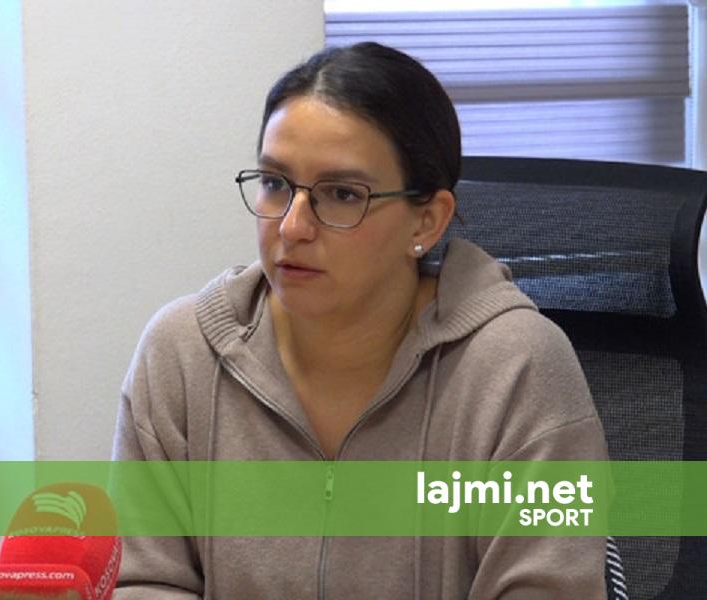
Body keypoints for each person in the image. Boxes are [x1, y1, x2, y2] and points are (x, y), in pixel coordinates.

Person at [111, 42, 609, 599]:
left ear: (427, 220)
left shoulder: (516, 367)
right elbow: (145, 579)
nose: (292, 226)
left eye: (342, 194)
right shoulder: (182, 353)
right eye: (275, 184)